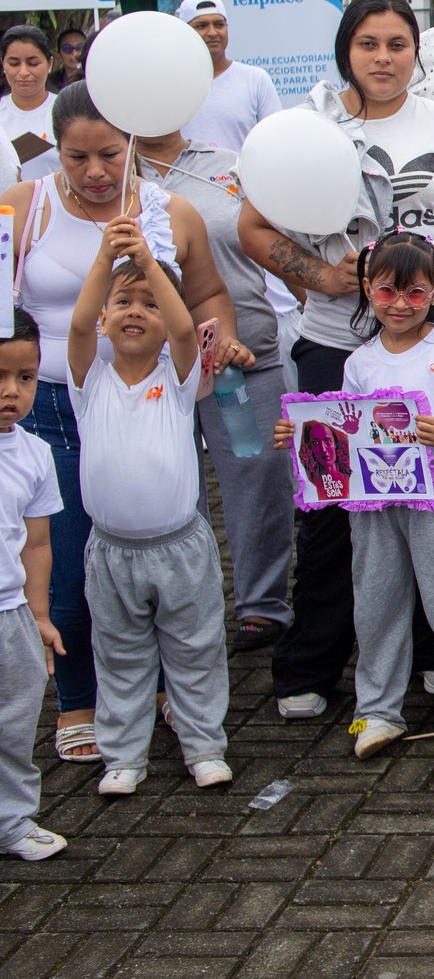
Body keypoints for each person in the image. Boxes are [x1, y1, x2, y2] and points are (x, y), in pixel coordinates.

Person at [240, 0, 434, 723]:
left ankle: (433, 660)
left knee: (432, 498)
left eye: (397, 44)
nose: (383, 58)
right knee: (333, 508)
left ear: (418, 51)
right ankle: (311, 663)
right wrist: (323, 278)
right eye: (367, 44)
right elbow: (254, 225)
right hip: (337, 342)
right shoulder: (308, 126)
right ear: (345, 50)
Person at [8, 83, 239, 765]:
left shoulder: (173, 211)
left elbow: (208, 295)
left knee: (161, 547)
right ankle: (79, 699)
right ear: (55, 150)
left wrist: (221, 338)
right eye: (76, 157)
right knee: (69, 560)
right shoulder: (23, 206)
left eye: (109, 154)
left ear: (133, 143)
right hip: (53, 403)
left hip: (155, 400)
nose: (95, 172)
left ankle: (167, 692)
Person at [282, 232, 434, 759]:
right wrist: (302, 433)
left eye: (415, 292)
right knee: (376, 601)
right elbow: (342, 431)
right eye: (386, 292)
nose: (400, 304)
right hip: (374, 502)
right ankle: (377, 709)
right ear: (367, 291)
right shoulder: (359, 362)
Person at [69, 207, 231, 796]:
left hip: (179, 548)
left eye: (151, 304)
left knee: (195, 651)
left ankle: (204, 747)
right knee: (119, 656)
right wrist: (106, 258)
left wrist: (148, 262)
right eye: (124, 302)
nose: (137, 311)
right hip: (111, 552)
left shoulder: (178, 379)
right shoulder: (90, 381)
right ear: (105, 317)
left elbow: (187, 331)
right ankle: (123, 757)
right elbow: (78, 326)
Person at [134, 118, 295, 653]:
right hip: (152, 367)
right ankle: (187, 605)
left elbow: (278, 240)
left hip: (239, 354)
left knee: (257, 475)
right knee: (172, 485)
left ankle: (263, 606)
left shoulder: (230, 167)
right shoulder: (110, 173)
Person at [0, 308, 68, 859]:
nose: (12, 391)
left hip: (12, 613)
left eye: (25, 377)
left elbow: (37, 543)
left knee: (17, 722)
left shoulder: (35, 452)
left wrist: (39, 614)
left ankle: (12, 821)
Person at [175, 0, 284, 152]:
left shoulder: (255, 80)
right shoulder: (171, 84)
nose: (212, 32)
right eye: (201, 26)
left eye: (219, 25)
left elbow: (276, 139)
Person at [1, 26, 54, 182]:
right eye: (14, 63)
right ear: (3, 65)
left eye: (33, 63)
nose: (23, 72)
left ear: (50, 64)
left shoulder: (68, 111)